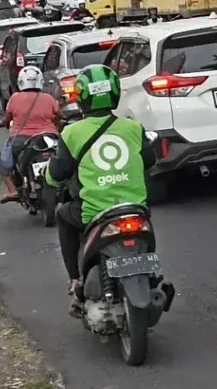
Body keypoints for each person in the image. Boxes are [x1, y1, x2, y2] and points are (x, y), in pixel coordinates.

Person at [46, 65, 157, 315]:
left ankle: (76, 280)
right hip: (136, 208)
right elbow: (150, 161)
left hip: (93, 211)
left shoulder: (72, 133)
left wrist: (49, 179)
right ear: (115, 94)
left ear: (82, 97)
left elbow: (56, 174)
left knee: (64, 214)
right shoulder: (132, 127)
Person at [0, 66, 60, 204]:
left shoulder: (15, 98)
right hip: (49, 138)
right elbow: (59, 116)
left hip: (21, 140)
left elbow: (6, 119)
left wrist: (1, 123)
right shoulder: (48, 98)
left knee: (3, 159)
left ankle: (12, 190)